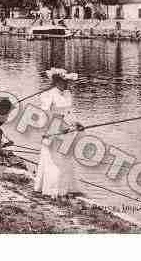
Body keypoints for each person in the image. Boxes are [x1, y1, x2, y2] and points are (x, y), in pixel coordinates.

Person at [34, 68, 83, 199]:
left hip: (67, 129)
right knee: (54, 160)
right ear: (56, 81)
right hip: (54, 128)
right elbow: (43, 114)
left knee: (66, 158)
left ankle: (65, 189)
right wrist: (49, 130)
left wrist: (76, 123)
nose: (67, 84)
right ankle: (52, 190)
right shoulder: (48, 94)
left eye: (67, 81)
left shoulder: (67, 94)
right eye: (64, 81)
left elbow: (69, 112)